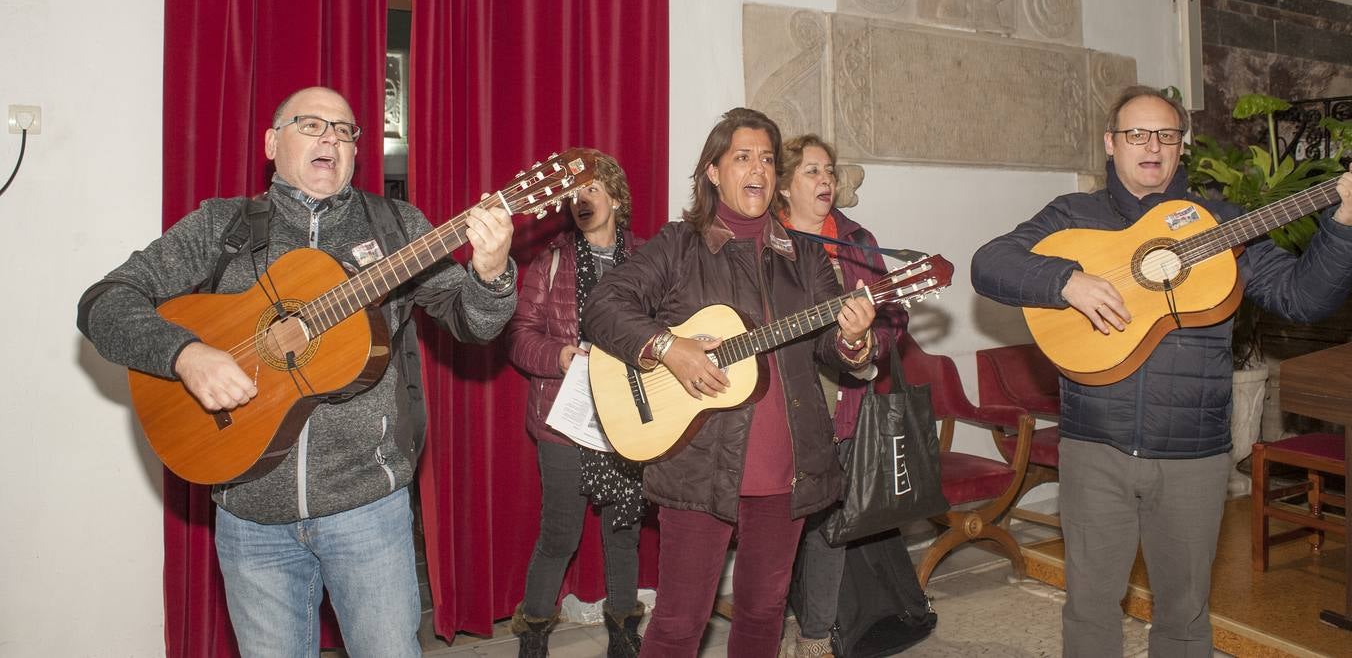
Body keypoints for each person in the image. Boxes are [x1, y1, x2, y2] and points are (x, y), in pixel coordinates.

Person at [77, 86, 517, 658]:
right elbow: (103, 302)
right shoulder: (223, 226)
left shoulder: (395, 227)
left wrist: (491, 273)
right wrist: (184, 354)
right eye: (312, 124)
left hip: (370, 511)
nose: (331, 138)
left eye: (345, 130)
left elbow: (474, 324)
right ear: (271, 142)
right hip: (250, 517)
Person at [970, 84, 1352, 658]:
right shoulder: (1074, 215)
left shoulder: (1224, 224)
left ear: (1182, 147)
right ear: (1111, 143)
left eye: (1167, 135)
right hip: (1095, 446)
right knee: (1090, 610)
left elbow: (1302, 299)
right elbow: (989, 262)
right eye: (1137, 134)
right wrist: (1065, 281)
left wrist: (1343, 219)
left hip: (1194, 455)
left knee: (1185, 615)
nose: (1152, 146)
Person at [582, 107, 878, 658]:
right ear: (714, 172)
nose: (758, 169)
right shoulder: (677, 245)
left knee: (763, 613)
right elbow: (602, 306)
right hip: (698, 463)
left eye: (767, 159)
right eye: (743, 156)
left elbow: (830, 349)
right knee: (677, 622)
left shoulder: (807, 258)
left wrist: (855, 340)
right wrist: (669, 348)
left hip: (784, 466)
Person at [777, 134, 932, 657]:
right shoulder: (760, 238)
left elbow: (894, 316)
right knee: (774, 530)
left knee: (827, 526)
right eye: (811, 172)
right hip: (770, 407)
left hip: (840, 404)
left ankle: (816, 636)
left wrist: (866, 342)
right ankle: (765, 626)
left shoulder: (856, 239)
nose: (825, 181)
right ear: (783, 185)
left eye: (829, 172)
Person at [507, 150, 648, 658]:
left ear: (615, 194)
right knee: (560, 533)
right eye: (573, 193)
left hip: (630, 416)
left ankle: (623, 630)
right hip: (565, 419)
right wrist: (560, 354)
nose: (582, 198)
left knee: (623, 530)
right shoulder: (552, 261)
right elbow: (520, 338)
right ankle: (536, 630)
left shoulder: (648, 259)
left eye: (591, 187)